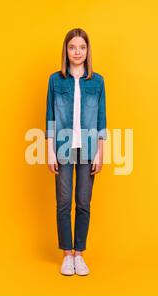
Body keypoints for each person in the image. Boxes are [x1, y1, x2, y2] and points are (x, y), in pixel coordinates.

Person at [45, 28, 107, 276]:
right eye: (72, 47)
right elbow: (50, 116)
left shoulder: (98, 81)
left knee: (83, 202)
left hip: (89, 147)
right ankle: (66, 255)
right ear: (66, 50)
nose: (77, 52)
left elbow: (102, 118)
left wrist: (101, 152)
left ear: (87, 50)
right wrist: (49, 150)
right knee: (63, 202)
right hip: (62, 146)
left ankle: (79, 254)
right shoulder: (55, 80)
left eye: (82, 47)